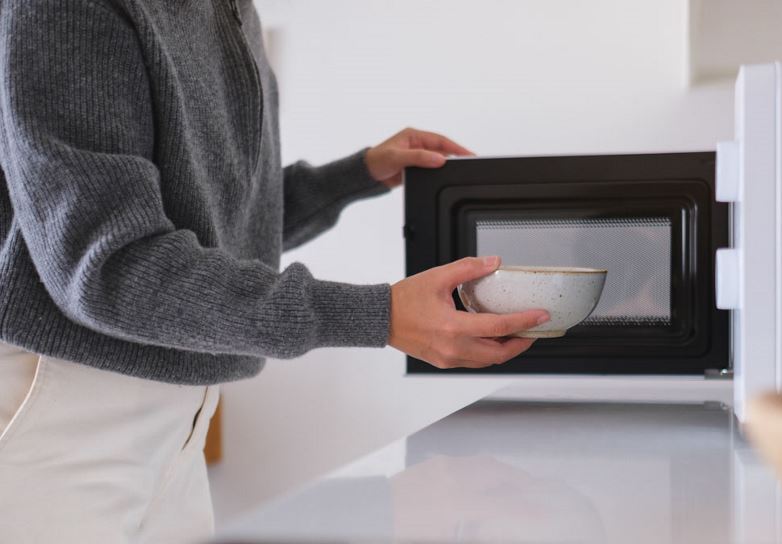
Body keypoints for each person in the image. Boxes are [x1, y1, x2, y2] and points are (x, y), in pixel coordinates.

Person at [0, 1, 549, 542]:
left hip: (180, 411)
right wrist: (375, 316)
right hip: (65, 400)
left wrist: (355, 177)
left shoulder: (233, 11)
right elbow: (110, 267)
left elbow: (217, 227)